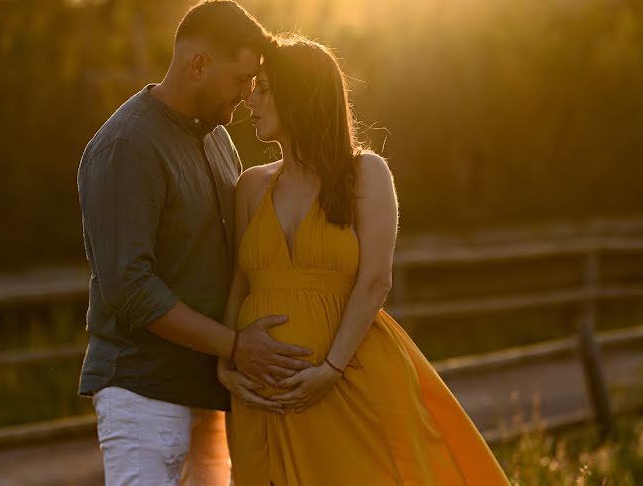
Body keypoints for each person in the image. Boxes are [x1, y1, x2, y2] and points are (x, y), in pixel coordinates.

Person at [218, 34, 512, 485]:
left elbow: (376, 280)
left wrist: (329, 370)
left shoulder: (365, 174)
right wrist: (226, 360)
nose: (250, 99)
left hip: (346, 380)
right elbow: (240, 282)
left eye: (263, 88)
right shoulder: (251, 186)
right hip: (262, 395)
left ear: (299, 94)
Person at [77, 0, 314, 486]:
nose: (246, 95)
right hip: (144, 393)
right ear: (198, 64)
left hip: (208, 392)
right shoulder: (129, 145)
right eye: (239, 79)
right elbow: (129, 287)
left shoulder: (214, 137)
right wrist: (235, 345)